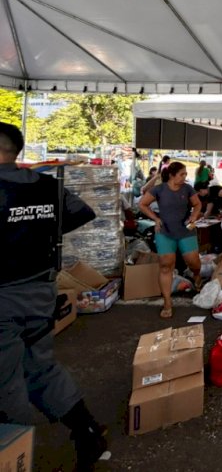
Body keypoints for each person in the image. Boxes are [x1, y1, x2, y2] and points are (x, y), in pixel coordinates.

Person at [0, 123, 108, 470]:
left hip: (5, 295)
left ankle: (14, 455)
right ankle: (88, 431)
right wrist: (37, 233)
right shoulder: (48, 186)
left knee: (6, 382)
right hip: (40, 290)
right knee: (40, 367)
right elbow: (83, 212)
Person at [139, 162, 203, 319]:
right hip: (165, 232)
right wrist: (155, 218)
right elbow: (142, 204)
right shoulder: (159, 189)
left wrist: (194, 216)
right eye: (182, 174)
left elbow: (197, 204)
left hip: (185, 231)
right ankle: (167, 302)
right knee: (166, 266)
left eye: (185, 174)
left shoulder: (187, 188)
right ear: (172, 175)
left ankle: (196, 275)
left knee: (193, 261)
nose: (185, 177)